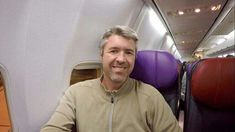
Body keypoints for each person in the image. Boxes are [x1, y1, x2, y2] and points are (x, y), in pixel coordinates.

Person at [41, 25, 182, 132]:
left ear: (134, 57)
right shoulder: (76, 93)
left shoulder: (150, 96)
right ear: (101, 55)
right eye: (114, 51)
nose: (121, 59)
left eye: (128, 52)